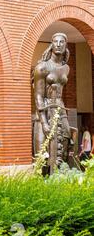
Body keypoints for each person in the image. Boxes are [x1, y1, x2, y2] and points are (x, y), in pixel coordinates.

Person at [32, 32, 75, 174]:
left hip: (60, 109)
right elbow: (38, 96)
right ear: (51, 44)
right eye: (55, 41)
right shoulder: (42, 67)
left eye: (61, 42)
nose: (58, 44)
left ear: (65, 45)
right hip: (45, 109)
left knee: (66, 142)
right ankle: (42, 178)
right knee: (43, 152)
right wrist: (44, 122)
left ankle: (60, 176)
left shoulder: (66, 68)